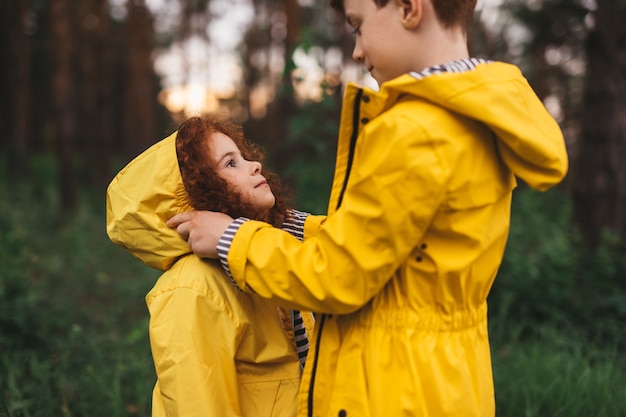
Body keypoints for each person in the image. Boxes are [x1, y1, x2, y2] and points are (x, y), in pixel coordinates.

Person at [167, 0, 569, 415]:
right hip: (447, 376)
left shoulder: (413, 129)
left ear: (410, 9)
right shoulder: (475, 116)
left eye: (358, 27)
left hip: (395, 385)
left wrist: (231, 239)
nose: (357, 50)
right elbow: (388, 244)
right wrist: (293, 225)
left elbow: (337, 275)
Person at [106, 116, 317, 417]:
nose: (254, 165)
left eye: (244, 157)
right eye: (230, 164)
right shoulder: (193, 288)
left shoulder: (262, 258)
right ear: (197, 196)